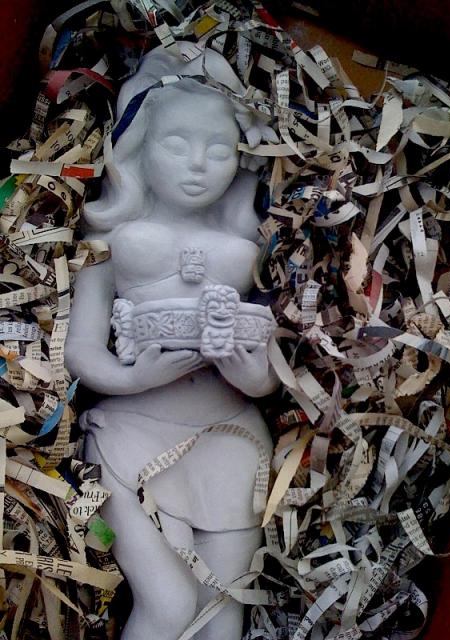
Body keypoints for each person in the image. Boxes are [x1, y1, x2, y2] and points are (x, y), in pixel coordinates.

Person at [65, 44, 279, 640]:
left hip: (232, 440)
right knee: (166, 605)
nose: (198, 165)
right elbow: (81, 349)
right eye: (177, 145)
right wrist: (132, 379)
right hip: (131, 436)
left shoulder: (253, 245)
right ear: (140, 147)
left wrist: (249, 374)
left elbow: (270, 367)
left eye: (219, 150)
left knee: (222, 616)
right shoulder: (111, 236)